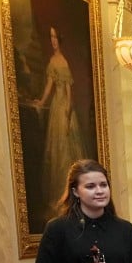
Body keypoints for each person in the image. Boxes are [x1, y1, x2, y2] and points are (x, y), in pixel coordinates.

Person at [32, 27, 86, 214]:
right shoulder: (54, 61)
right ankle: (60, 197)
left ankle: (68, 197)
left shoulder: (61, 62)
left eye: (55, 36)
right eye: (51, 37)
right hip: (57, 104)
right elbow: (49, 86)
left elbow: (69, 92)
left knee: (65, 150)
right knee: (56, 151)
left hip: (62, 107)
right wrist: (42, 101)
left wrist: (68, 112)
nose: (53, 40)